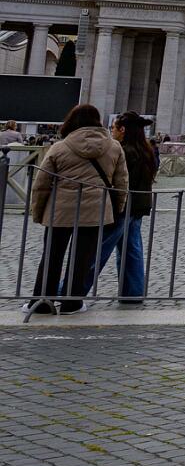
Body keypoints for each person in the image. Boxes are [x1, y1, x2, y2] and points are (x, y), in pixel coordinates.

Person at [27, 104, 129, 315]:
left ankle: (42, 302)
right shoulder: (114, 147)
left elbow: (41, 184)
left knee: (52, 256)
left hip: (60, 210)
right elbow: (121, 183)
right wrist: (117, 209)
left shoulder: (60, 147)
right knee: (82, 258)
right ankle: (72, 303)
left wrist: (37, 212)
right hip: (95, 210)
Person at [94, 111, 155, 305]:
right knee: (131, 249)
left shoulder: (124, 151)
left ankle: (70, 290)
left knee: (98, 250)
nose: (111, 131)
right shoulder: (147, 150)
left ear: (122, 129)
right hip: (138, 206)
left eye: (113, 127)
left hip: (122, 206)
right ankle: (132, 292)